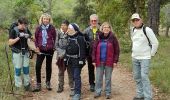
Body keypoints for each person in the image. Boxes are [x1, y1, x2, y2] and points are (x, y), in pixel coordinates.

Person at [130, 13, 159, 100]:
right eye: (134, 20)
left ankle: (148, 97)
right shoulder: (132, 30)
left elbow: (155, 43)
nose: (136, 21)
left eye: (137, 20)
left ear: (141, 20)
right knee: (137, 77)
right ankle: (140, 95)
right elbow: (134, 42)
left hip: (145, 58)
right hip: (135, 57)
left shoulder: (147, 30)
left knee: (144, 76)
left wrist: (151, 54)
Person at [92, 22, 120, 99]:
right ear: (102, 29)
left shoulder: (113, 37)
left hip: (109, 61)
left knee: (108, 78)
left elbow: (117, 50)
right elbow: (94, 49)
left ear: (110, 29)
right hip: (99, 61)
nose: (106, 29)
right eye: (104, 27)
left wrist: (115, 61)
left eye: (108, 27)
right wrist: (93, 60)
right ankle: (98, 92)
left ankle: (108, 92)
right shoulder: (98, 37)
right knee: (98, 78)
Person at [33, 13, 56, 92]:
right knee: (37, 66)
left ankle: (48, 82)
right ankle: (38, 84)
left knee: (48, 66)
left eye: (47, 19)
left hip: (50, 50)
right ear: (42, 19)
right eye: (44, 19)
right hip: (41, 50)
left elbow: (55, 38)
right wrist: (36, 47)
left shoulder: (52, 28)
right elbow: (35, 38)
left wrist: (53, 47)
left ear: (49, 20)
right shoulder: (38, 28)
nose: (46, 20)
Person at [64, 23, 87, 100]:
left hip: (77, 60)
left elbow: (82, 50)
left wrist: (81, 60)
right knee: (73, 76)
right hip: (70, 60)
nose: (69, 29)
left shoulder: (80, 38)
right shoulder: (68, 37)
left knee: (76, 76)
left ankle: (77, 93)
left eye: (70, 28)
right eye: (69, 28)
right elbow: (66, 49)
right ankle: (75, 90)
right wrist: (65, 58)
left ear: (75, 29)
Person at [8, 17, 32, 91]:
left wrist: (29, 37)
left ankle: (27, 85)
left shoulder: (26, 29)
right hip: (17, 53)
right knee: (18, 70)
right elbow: (10, 42)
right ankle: (18, 86)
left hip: (26, 52)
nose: (24, 26)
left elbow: (32, 38)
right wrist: (18, 37)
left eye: (25, 25)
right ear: (19, 23)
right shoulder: (14, 31)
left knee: (26, 69)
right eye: (23, 25)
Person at [55, 20, 74, 95]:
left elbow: (72, 45)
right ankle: (60, 86)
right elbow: (56, 45)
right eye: (62, 25)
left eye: (64, 25)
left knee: (70, 72)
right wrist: (61, 53)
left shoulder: (71, 33)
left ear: (68, 26)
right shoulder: (58, 33)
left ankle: (72, 87)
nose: (63, 26)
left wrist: (66, 53)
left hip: (69, 56)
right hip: (60, 56)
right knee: (61, 72)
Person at [83, 14, 100, 92]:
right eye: (92, 20)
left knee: (100, 69)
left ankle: (99, 83)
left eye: (95, 20)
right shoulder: (86, 31)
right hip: (90, 54)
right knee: (91, 69)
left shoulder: (101, 30)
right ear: (90, 21)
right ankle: (92, 84)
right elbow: (83, 43)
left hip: (99, 53)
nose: (93, 22)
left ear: (97, 21)